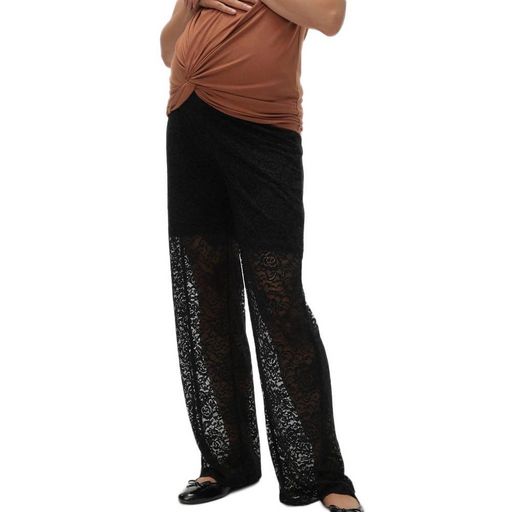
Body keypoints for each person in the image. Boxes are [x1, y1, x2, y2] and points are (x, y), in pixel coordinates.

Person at [160, 0, 364, 510]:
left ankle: (324, 474)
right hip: (188, 117)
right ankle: (225, 461)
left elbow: (331, 18)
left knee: (280, 299)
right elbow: (166, 49)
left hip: (263, 128)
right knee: (204, 293)